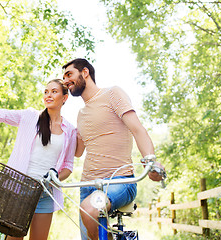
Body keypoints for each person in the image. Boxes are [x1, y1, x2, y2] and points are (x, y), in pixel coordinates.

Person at [0, 67, 77, 240]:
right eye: (46, 91)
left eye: (54, 92)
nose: (48, 95)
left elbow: (68, 167)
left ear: (64, 97)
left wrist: (54, 177)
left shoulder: (70, 130)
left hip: (45, 194)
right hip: (19, 190)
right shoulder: (29, 116)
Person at [62, 58, 165, 240]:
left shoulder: (112, 94)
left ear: (85, 72)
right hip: (87, 185)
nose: (65, 81)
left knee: (89, 209)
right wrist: (54, 122)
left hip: (120, 181)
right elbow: (77, 152)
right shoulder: (81, 114)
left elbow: (137, 129)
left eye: (69, 74)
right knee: (89, 218)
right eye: (63, 78)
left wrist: (150, 161)